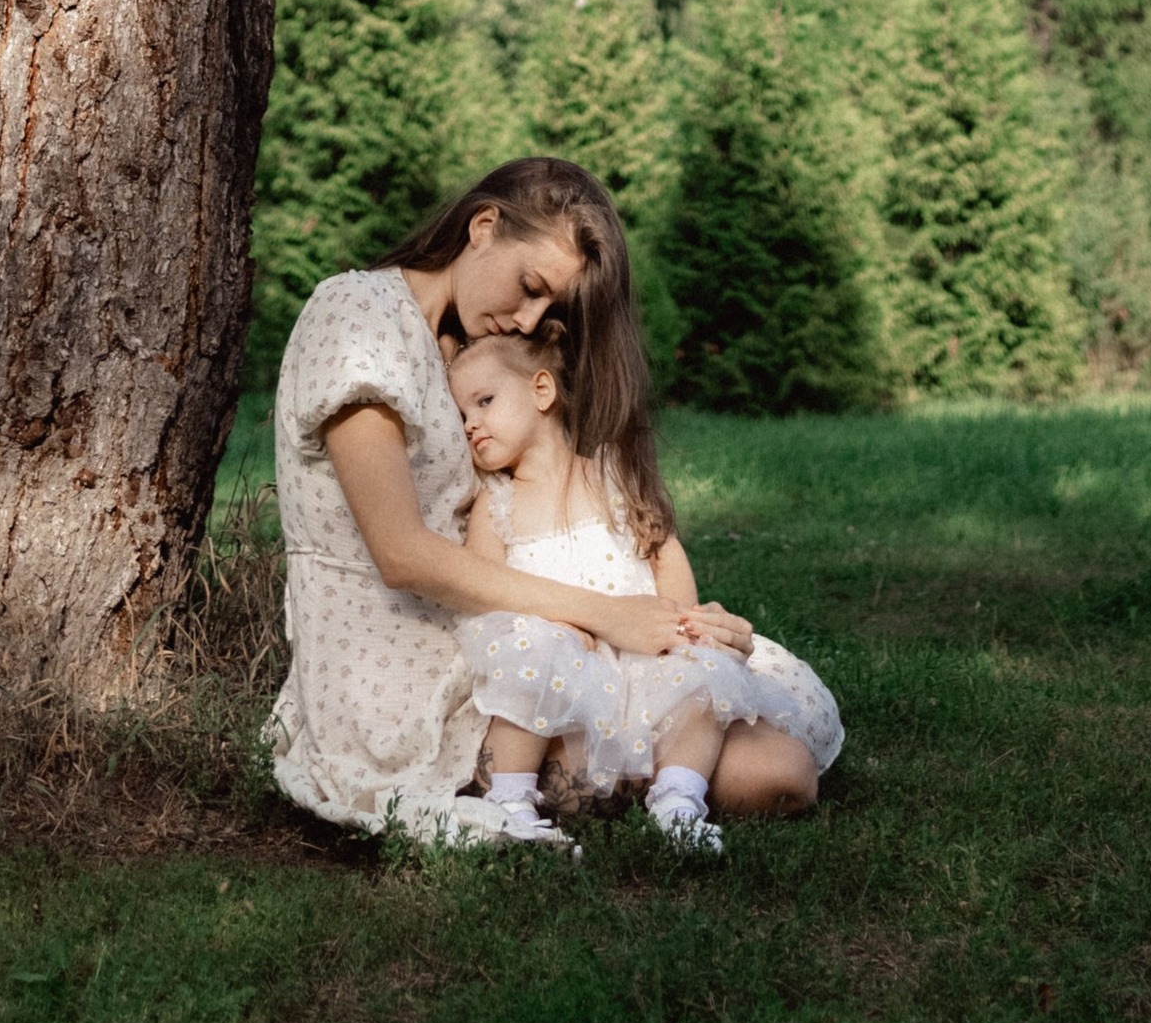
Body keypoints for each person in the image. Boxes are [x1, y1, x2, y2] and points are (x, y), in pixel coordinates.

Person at [269, 156, 820, 845]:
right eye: (529, 286)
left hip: (511, 635)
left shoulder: (469, 350)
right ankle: (622, 771)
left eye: (548, 309)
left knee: (780, 759)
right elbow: (401, 554)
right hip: (404, 673)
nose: (527, 319)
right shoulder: (358, 315)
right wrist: (607, 616)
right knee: (755, 769)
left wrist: (680, 624)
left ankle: (666, 742)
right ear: (484, 226)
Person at [449, 322, 842, 854]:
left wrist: (688, 631)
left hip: (644, 672)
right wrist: (562, 624)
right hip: (560, 695)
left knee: (708, 673)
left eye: (485, 401)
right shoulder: (494, 506)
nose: (472, 425)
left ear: (542, 390)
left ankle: (679, 802)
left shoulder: (615, 479)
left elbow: (669, 580)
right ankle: (509, 803)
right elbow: (485, 593)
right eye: (462, 414)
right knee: (533, 651)